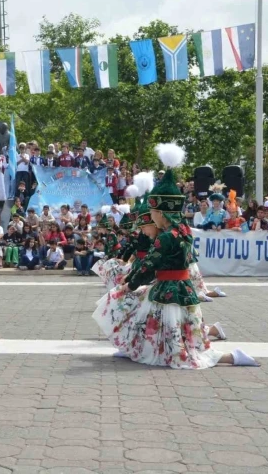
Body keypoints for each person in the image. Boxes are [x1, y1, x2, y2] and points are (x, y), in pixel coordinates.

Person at [96, 143, 258, 369]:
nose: (151, 218)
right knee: (177, 329)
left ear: (161, 213)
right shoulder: (181, 232)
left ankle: (231, 357)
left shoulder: (166, 237)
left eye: (153, 214)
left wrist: (130, 284)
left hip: (168, 290)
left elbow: (150, 265)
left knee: (176, 344)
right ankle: (135, 348)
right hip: (180, 289)